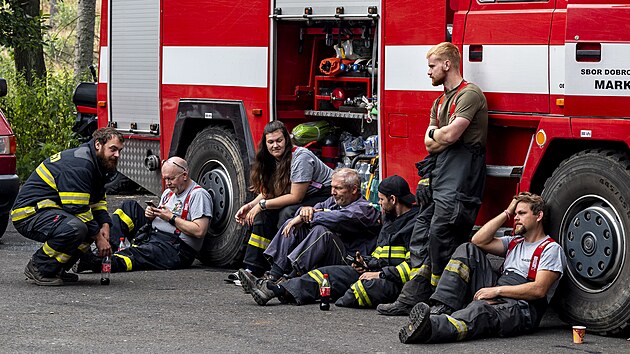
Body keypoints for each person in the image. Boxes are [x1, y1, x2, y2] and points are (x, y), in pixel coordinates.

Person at [378, 41, 488, 315]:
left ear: (447, 64)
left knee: (443, 236)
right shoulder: (439, 102)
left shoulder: (470, 95)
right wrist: (440, 137)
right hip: (439, 176)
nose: (428, 72)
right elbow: (431, 145)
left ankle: (443, 301)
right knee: (421, 235)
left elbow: (448, 136)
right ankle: (412, 298)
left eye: (431, 66)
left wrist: (439, 135)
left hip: (461, 180)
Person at [399, 192, 566, 344]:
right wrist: (506, 212)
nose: (516, 218)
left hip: (522, 307)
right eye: (515, 214)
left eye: (521, 213)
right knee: (468, 250)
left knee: (480, 311)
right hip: (500, 289)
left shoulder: (550, 249)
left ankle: (430, 328)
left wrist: (497, 291)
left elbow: (538, 290)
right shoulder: (514, 242)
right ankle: (442, 307)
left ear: (539, 216)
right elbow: (478, 240)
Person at [239, 175, 419, 307]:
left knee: (321, 233)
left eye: (380, 200)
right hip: (364, 268)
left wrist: (379, 274)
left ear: (393, 200)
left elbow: (411, 267)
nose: (378, 205)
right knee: (321, 272)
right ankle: (274, 282)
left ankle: (280, 283)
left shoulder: (369, 211)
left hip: (384, 277)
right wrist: (366, 264)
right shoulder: (389, 219)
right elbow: (381, 256)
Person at [11, 127, 124, 286]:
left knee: (90, 226)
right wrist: (99, 238)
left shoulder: (97, 164)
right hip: (28, 214)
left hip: (49, 212)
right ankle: (39, 267)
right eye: (113, 149)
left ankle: (55, 268)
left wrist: (105, 225)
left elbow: (97, 199)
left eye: (119, 150)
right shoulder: (81, 165)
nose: (117, 155)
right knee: (76, 227)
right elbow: (78, 209)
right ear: (98, 144)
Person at [240, 168, 380, 283]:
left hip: (350, 262)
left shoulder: (363, 209)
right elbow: (314, 209)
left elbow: (336, 219)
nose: (333, 192)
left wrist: (305, 216)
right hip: (329, 257)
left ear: (354, 190)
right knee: (292, 224)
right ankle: (273, 276)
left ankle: (290, 279)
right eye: (332, 187)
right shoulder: (334, 201)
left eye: (338, 188)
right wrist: (304, 210)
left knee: (322, 232)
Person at [75, 157, 213, 272]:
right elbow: (161, 216)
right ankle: (105, 249)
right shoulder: (169, 192)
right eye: (165, 179)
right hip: (154, 235)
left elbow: (200, 230)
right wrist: (151, 215)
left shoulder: (198, 195)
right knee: (129, 207)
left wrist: (171, 217)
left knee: (138, 254)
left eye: (171, 179)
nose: (168, 183)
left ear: (184, 175)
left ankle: (96, 263)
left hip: (175, 248)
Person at [234, 121, 333, 278]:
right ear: (265, 144)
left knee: (286, 213)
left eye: (279, 140)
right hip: (303, 195)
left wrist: (262, 205)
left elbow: (296, 197)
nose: (275, 145)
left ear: (286, 140)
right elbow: (271, 191)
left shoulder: (301, 158)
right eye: (271, 142)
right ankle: (252, 269)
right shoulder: (272, 159)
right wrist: (251, 205)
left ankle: (283, 267)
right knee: (262, 215)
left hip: (324, 195)